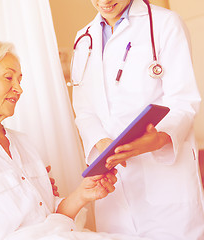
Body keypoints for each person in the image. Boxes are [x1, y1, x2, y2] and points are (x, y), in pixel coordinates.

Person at [0, 39, 152, 240]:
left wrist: (84, 193)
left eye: (19, 79)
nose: (18, 88)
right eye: (8, 77)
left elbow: (51, 217)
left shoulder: (23, 143)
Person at [70, 0, 204, 239]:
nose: (104, 1)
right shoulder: (84, 39)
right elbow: (84, 110)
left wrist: (159, 138)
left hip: (163, 176)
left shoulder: (165, 23)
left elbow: (183, 101)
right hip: (113, 182)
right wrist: (102, 143)